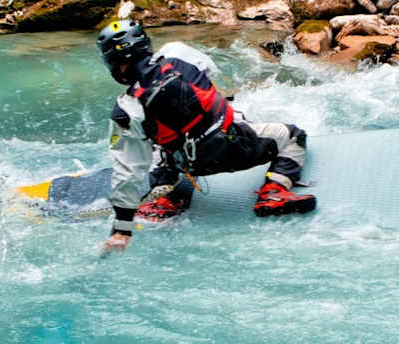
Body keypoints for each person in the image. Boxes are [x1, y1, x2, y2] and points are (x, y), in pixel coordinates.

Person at [96, 19, 316, 253]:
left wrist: (121, 230)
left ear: (113, 64)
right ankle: (274, 190)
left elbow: (127, 173)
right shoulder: (177, 53)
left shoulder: (124, 109)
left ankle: (166, 199)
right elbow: (211, 74)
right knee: (294, 136)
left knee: (151, 145)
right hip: (235, 147)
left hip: (188, 165)